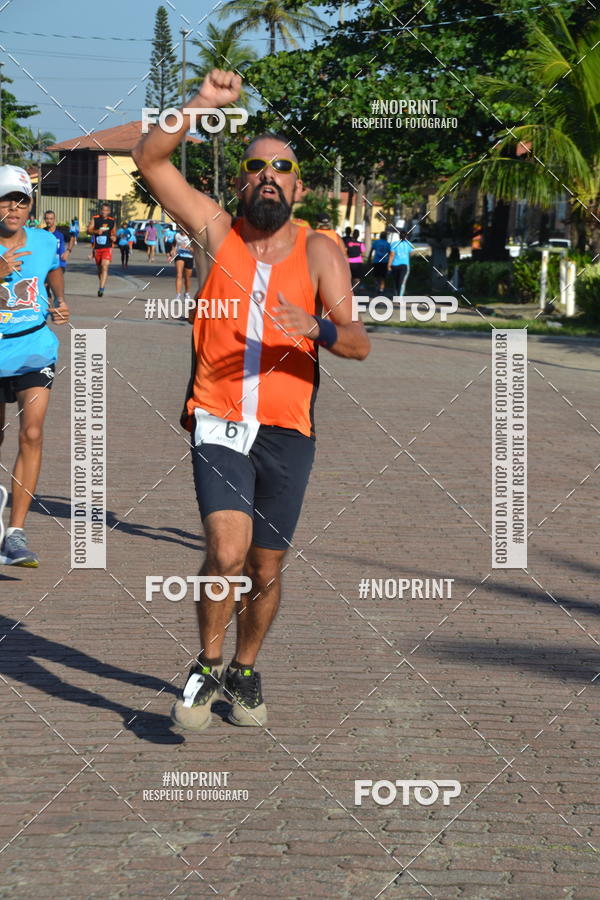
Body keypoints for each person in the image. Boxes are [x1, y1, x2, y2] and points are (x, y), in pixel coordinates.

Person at [133, 68, 370, 733]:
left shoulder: (323, 252)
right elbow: (150, 159)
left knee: (266, 567)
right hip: (218, 418)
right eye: (256, 165)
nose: (268, 174)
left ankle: (244, 667)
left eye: (281, 168)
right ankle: (207, 665)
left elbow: (357, 342)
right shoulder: (215, 228)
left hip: (290, 428)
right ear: (241, 181)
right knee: (227, 552)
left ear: (298, 187)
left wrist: (316, 327)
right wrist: (203, 104)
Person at [0, 165, 70, 566]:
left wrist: (58, 301)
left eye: (22, 200)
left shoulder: (44, 242)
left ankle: (16, 533)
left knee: (32, 432)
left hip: (34, 349)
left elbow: (54, 270)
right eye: (7, 199)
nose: (14, 207)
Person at [42, 210, 74, 302]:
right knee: (45, 287)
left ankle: (57, 307)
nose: (49, 221)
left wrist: (68, 251)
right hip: (46, 264)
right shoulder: (42, 232)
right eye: (47, 219)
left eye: (51, 219)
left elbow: (72, 238)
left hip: (59, 264)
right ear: (44, 220)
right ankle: (49, 306)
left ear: (54, 219)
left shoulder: (62, 231)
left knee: (53, 287)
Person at [87, 202, 116, 297]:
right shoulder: (95, 219)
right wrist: (96, 231)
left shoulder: (112, 221)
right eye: (103, 210)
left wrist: (114, 237)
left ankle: (101, 289)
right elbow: (88, 230)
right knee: (100, 269)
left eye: (107, 210)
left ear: (109, 212)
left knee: (105, 266)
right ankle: (102, 283)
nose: (105, 212)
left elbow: (114, 234)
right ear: (101, 210)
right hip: (97, 248)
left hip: (107, 248)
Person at [168, 225, 194, 300]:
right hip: (179, 256)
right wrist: (172, 252)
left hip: (189, 257)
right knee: (179, 275)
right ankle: (178, 295)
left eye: (184, 228)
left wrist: (187, 247)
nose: (182, 229)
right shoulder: (177, 235)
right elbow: (174, 244)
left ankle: (187, 293)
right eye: (181, 228)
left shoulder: (191, 237)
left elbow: (196, 250)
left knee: (187, 278)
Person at [388, 229, 414, 296]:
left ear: (399, 236)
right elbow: (411, 254)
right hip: (405, 265)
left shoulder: (394, 244)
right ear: (406, 236)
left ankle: (396, 295)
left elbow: (392, 255)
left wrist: (389, 265)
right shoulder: (409, 244)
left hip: (394, 265)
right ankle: (400, 297)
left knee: (396, 281)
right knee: (402, 282)